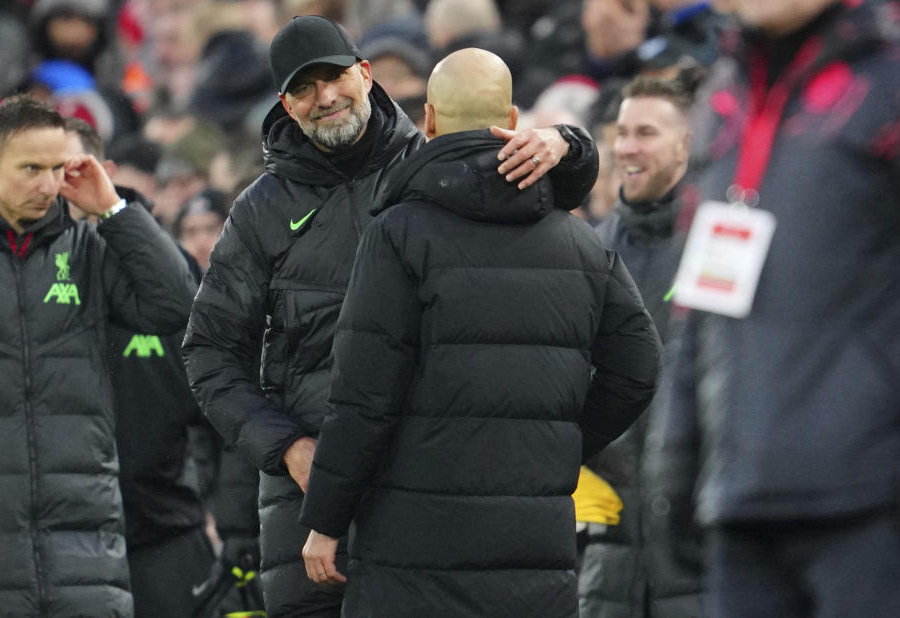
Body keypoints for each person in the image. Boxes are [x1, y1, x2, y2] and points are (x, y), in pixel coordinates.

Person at [182, 14, 593, 618]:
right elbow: (209, 352)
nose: (324, 98)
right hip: (306, 506)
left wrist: (567, 143)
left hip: (424, 492)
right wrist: (287, 446)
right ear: (285, 104)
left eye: (335, 78)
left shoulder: (433, 165)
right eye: (304, 88)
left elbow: (548, 193)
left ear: (366, 74)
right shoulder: (259, 211)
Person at [297, 47, 662, 617]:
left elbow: (363, 395)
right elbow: (639, 371)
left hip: (410, 553)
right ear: (513, 122)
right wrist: (551, 446)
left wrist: (325, 517)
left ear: (430, 123)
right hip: (535, 555)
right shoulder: (584, 242)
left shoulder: (397, 234)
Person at [648, 0, 900, 616]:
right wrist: (677, 463)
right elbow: (700, 304)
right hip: (743, 499)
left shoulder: (888, 81)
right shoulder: (724, 98)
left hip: (870, 502)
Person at [0, 94, 196, 616]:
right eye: (30, 168)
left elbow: (174, 305)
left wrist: (116, 210)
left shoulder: (86, 246)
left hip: (83, 546)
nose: (46, 185)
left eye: (57, 169)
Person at [64, 116, 219, 618]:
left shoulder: (159, 265)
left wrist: (220, 511)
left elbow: (217, 403)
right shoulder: (17, 269)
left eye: (69, 169)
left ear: (102, 171)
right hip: (66, 534)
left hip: (163, 527)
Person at [577, 71, 704, 618]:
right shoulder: (586, 250)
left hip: (696, 539)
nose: (626, 147)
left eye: (646, 133)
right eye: (621, 132)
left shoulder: (723, 243)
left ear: (687, 144)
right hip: (606, 548)